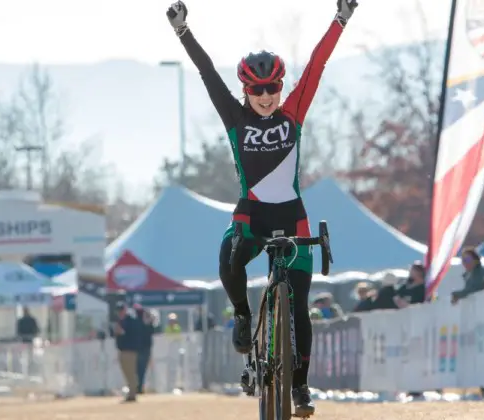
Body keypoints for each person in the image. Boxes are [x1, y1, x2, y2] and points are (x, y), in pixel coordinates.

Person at [166, 1, 358, 414]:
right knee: (227, 258)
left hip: (293, 214)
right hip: (251, 213)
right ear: (246, 92)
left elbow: (317, 67)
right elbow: (206, 73)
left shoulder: (293, 114)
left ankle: (301, 388)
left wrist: (340, 20)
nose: (268, 97)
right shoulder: (235, 118)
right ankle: (241, 315)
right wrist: (183, 32)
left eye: (273, 88)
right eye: (258, 90)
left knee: (300, 307)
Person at [111, 302, 140, 402]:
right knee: (126, 373)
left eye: (121, 310)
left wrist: (122, 332)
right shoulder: (121, 321)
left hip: (130, 350)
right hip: (122, 350)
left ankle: (133, 393)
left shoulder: (130, 321)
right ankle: (131, 392)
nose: (119, 313)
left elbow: (133, 334)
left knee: (131, 372)